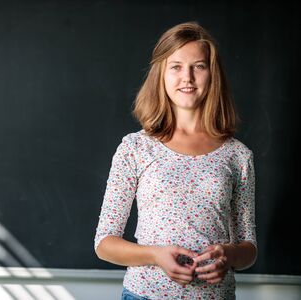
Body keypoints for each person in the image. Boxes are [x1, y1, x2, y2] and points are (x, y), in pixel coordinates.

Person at [94, 21, 257, 299]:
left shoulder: (238, 155)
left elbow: (248, 248)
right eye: (176, 66)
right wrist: (156, 256)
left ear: (212, 74)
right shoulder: (135, 148)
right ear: (161, 74)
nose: (188, 78)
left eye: (199, 66)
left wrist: (228, 255)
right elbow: (104, 243)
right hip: (145, 294)